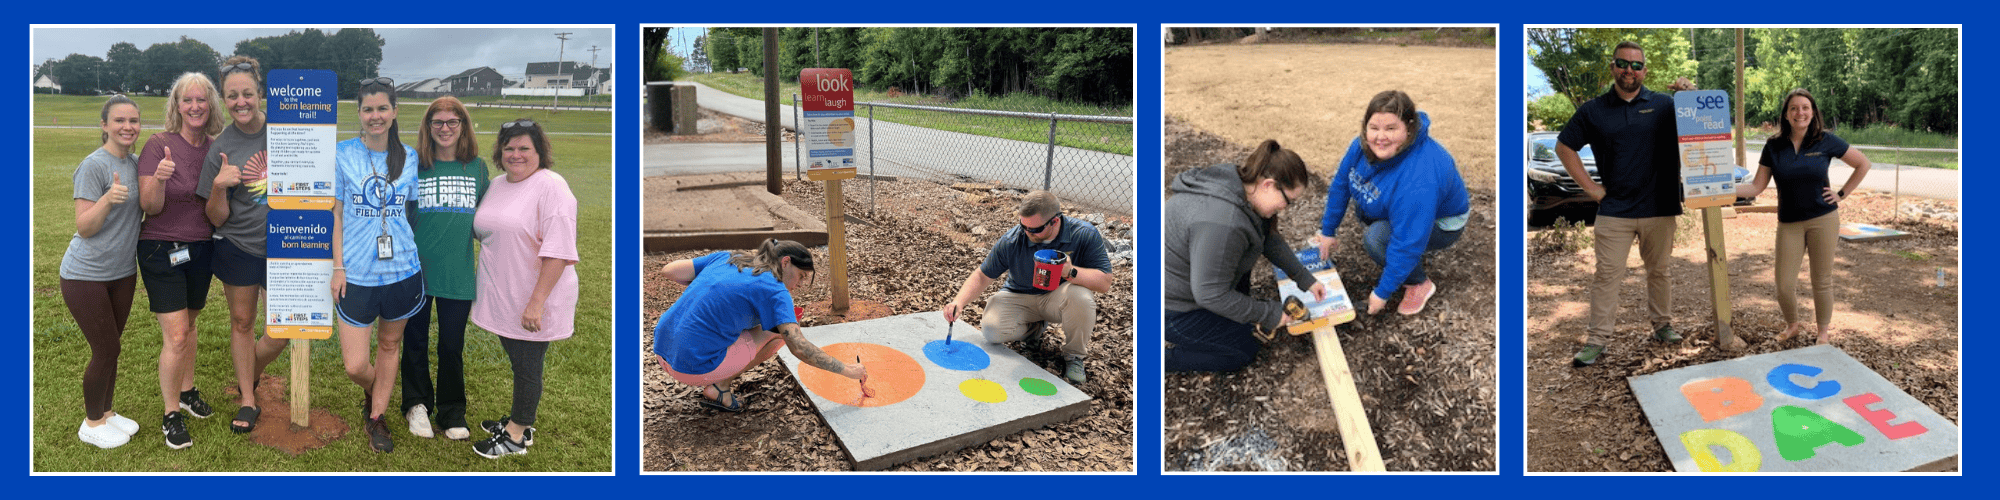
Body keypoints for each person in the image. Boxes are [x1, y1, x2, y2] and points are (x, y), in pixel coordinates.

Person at [1556, 41, 1698, 367]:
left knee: (1659, 272)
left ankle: (1662, 326)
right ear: (1613, 68)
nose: (1629, 70)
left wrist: (1689, 93)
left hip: (1659, 208)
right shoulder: (1593, 110)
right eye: (1623, 63)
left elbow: (1703, 124)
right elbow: (1565, 147)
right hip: (1614, 211)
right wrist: (1591, 188)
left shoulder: (1665, 105)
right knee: (1606, 276)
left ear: (1645, 71)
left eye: (1636, 65)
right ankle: (1596, 340)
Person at [469, 119, 581, 458]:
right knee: (519, 362)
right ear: (500, 153)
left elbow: (559, 251)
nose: (516, 155)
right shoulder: (499, 185)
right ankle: (520, 420)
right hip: (505, 293)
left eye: (524, 149)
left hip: (535, 297)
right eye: (509, 148)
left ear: (539, 152)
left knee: (528, 364)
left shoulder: (551, 186)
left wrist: (536, 303)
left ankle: (517, 434)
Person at [1163, 140, 1327, 372]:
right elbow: (1210, 294)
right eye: (1288, 201)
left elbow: (1266, 238)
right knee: (1242, 350)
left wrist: (1304, 279)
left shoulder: (1238, 186)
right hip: (1172, 308)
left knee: (1239, 294)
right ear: (1269, 184)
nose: (1286, 208)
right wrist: (1269, 313)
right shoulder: (1224, 223)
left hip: (1187, 281)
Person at [652, 239, 865, 413]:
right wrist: (847, 370)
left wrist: (713, 288)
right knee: (778, 334)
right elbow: (799, 347)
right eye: (801, 276)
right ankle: (719, 388)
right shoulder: (775, 290)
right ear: (785, 262)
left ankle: (718, 377)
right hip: (690, 368)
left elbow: (670, 270)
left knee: (751, 320)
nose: (799, 285)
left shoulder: (729, 257)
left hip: (662, 351)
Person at [1313, 90, 1471, 316]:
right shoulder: (1361, 145)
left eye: (1391, 129)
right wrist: (1327, 231)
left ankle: (1419, 283)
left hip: (1443, 223)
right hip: (1410, 207)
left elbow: (1407, 241)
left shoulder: (1418, 179)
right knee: (1366, 205)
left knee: (1376, 238)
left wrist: (1382, 293)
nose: (1380, 137)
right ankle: (1401, 253)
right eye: (1374, 128)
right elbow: (1341, 184)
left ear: (1409, 129)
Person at [198, 55, 287, 446]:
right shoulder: (221, 146)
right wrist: (220, 185)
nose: (241, 102)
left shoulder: (287, 130)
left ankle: (247, 370)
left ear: (260, 93)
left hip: (288, 246)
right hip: (239, 246)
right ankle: (248, 400)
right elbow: (215, 218)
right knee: (241, 321)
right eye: (232, 96)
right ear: (224, 98)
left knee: (284, 328)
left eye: (247, 93)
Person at [1735, 88, 1871, 346]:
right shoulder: (1773, 146)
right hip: (1789, 223)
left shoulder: (1825, 140)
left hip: (1823, 219)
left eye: (1805, 107)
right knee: (1784, 284)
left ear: (1813, 112)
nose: (1800, 113)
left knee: (1821, 279)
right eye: (1794, 108)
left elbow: (1863, 163)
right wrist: (1722, 190)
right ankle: (1793, 325)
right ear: (1786, 115)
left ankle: (1823, 334)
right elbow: (1756, 187)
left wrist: (1841, 194)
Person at [331, 77, 422, 453]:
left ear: (395, 111)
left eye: (382, 108)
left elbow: (410, 213)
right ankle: (377, 388)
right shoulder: (342, 154)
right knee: (355, 364)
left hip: (402, 270)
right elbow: (335, 215)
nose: (375, 116)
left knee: (389, 345)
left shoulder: (410, 157)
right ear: (359, 113)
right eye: (368, 109)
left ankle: (377, 416)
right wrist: (338, 267)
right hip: (356, 273)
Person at [941, 191, 1115, 384]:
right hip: (1019, 295)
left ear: (1055, 221)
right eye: (1023, 226)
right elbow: (983, 275)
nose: (1027, 233)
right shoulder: (1013, 239)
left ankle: (1074, 356)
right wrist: (959, 302)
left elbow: (1105, 282)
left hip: (1058, 297)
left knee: (1081, 296)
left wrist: (1070, 271)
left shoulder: (1083, 234)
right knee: (991, 330)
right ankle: (1035, 329)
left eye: (1035, 229)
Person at [136, 73, 225, 442]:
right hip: (161, 248)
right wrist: (158, 178)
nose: (194, 107)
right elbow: (149, 206)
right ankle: (171, 413)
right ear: (176, 106)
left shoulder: (217, 148)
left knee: (189, 326)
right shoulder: (158, 145)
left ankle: (187, 393)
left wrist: (220, 185)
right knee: (175, 335)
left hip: (201, 248)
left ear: (211, 105)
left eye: (201, 100)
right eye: (186, 100)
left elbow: (218, 213)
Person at [401, 96, 488, 441]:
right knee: (415, 340)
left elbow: (491, 218)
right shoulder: (414, 166)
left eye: (453, 122)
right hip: (415, 271)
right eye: (438, 122)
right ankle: (416, 404)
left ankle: (452, 411)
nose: (445, 128)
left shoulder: (478, 168)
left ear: (463, 127)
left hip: (458, 271)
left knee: (452, 346)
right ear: (428, 127)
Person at [63, 95, 144, 448]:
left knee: (114, 347)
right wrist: (107, 200)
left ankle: (107, 412)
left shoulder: (137, 163)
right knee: (105, 349)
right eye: (119, 120)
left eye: (134, 121)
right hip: (85, 275)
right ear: (104, 125)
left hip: (123, 273)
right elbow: (84, 226)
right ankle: (91, 422)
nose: (128, 127)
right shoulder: (93, 166)